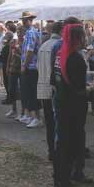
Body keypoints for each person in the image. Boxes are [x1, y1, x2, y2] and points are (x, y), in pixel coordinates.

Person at [53, 24, 88, 187]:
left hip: (62, 107)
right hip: (73, 111)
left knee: (62, 150)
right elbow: (80, 89)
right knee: (69, 151)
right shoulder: (76, 59)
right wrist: (92, 89)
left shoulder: (60, 55)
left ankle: (59, 186)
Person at [37, 21, 62, 160]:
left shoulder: (43, 46)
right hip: (54, 88)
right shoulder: (59, 46)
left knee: (49, 123)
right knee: (57, 122)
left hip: (43, 87)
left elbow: (39, 67)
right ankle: (57, 151)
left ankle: (51, 151)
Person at [20, 11, 41, 128]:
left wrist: (24, 65)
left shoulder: (31, 33)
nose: (23, 21)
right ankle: (33, 117)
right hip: (31, 67)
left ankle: (36, 118)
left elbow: (30, 51)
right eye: (23, 19)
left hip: (31, 67)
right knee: (29, 93)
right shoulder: (30, 32)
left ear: (30, 20)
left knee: (31, 93)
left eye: (25, 19)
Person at [5, 27, 25, 120]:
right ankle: (13, 110)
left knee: (22, 90)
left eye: (21, 32)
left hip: (21, 68)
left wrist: (19, 51)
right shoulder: (13, 42)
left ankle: (23, 112)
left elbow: (25, 56)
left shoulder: (25, 42)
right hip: (13, 68)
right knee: (11, 89)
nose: (19, 33)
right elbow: (9, 55)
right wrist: (7, 66)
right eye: (18, 32)